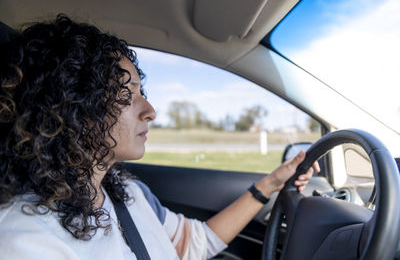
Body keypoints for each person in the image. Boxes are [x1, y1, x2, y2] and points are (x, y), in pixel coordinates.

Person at [0, 15, 319, 260]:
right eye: (126, 95)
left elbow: (194, 243)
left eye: (142, 92)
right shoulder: (25, 240)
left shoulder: (128, 193)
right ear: (70, 105)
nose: (150, 110)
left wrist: (271, 184)